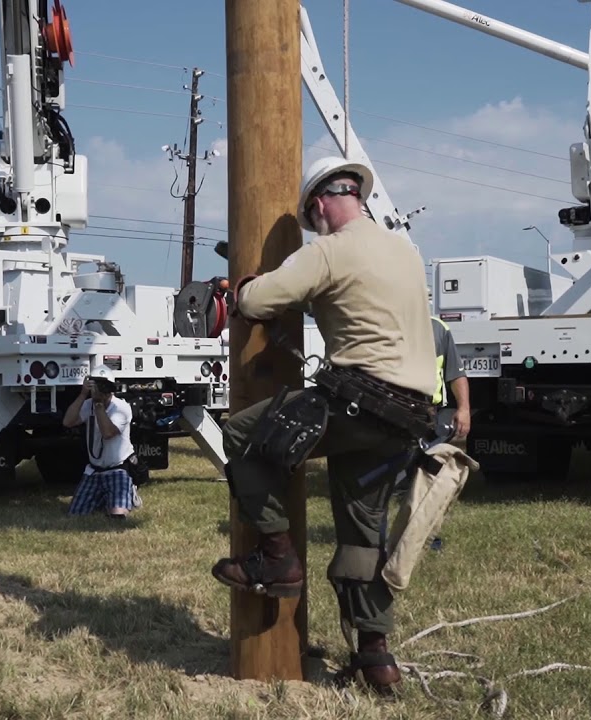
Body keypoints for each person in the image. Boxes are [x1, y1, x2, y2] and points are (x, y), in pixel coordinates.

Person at [212, 156, 438, 695]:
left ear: (317, 206)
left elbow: (258, 299)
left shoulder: (330, 251)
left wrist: (241, 288)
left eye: (311, 220)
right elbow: (359, 306)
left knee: (240, 433)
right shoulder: (403, 250)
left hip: (360, 403)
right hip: (408, 418)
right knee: (363, 534)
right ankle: (375, 658)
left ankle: (276, 556)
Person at [62, 366, 142, 518]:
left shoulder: (121, 408)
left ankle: (130, 491)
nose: (102, 391)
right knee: (76, 513)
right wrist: (83, 394)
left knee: (117, 515)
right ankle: (104, 498)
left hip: (117, 469)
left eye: (105, 386)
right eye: (97, 386)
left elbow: (108, 433)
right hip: (94, 470)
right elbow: (67, 422)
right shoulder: (87, 405)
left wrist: (99, 405)